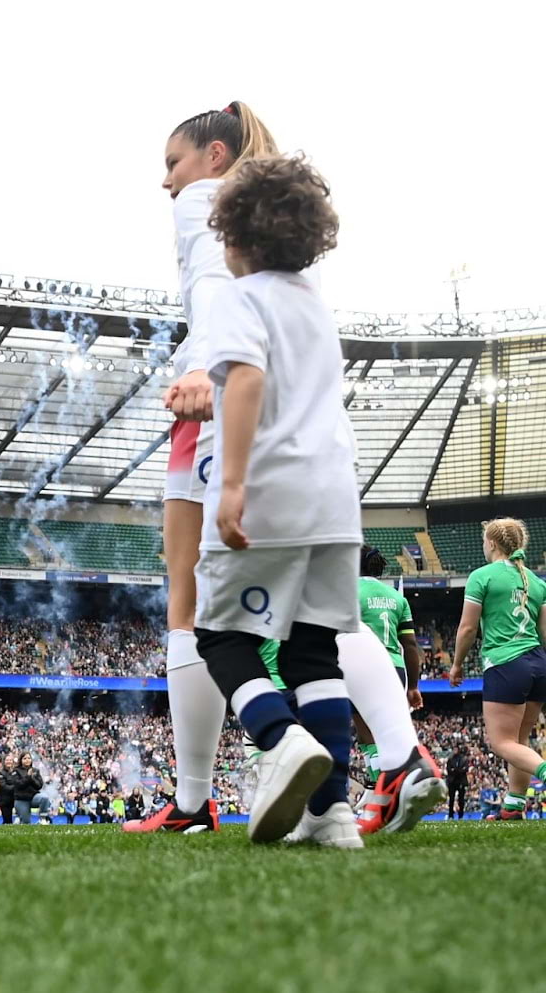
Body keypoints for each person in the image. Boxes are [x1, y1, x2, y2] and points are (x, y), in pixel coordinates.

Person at [186, 153, 363, 848]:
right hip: (336, 500)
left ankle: (278, 736)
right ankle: (333, 813)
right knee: (313, 652)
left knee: (220, 636)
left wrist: (231, 485)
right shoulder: (313, 304)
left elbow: (249, 380)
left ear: (235, 234)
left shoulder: (241, 295)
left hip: (271, 490)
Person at [129, 101, 277, 835]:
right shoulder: (270, 215)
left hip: (215, 398)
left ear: (213, 156)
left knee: (186, 607)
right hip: (279, 402)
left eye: (172, 162)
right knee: (314, 604)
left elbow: (213, 294)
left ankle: (193, 800)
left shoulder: (201, 201)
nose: (167, 182)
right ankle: (399, 753)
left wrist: (200, 371)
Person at [448, 518, 546, 821]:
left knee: (501, 743)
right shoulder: (537, 582)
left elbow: (467, 629)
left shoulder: (482, 576)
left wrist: (457, 664)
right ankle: (514, 806)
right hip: (538, 664)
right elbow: (544, 634)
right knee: (519, 740)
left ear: (491, 543)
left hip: (506, 664)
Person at [352, 545, 445, 834]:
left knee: (367, 734)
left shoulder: (349, 591)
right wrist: (414, 686)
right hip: (397, 669)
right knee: (387, 731)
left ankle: (383, 791)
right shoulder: (395, 597)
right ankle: (380, 789)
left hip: (364, 663)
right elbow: (410, 646)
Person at [9, 753, 51, 825]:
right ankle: (19, 817)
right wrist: (28, 777)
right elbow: (18, 785)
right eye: (25, 758)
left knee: (44, 798)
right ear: (21, 760)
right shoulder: (15, 771)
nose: (27, 760)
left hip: (33, 797)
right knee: (26, 823)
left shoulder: (35, 771)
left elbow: (39, 785)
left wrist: (32, 778)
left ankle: (43, 818)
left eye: (29, 758)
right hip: (21, 799)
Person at [446, 746, 470, 820]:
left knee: (461, 799)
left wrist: (456, 770)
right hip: (452, 781)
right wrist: (458, 771)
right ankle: (451, 815)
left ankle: (461, 815)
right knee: (451, 799)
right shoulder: (450, 759)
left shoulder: (464, 759)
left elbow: (465, 769)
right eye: (454, 749)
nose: (455, 751)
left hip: (461, 781)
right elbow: (449, 769)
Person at [0, 753, 20, 824]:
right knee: (7, 821)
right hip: (5, 800)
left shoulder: (15, 772)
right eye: (7, 760)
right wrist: (16, 787)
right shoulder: (0, 773)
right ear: (4, 762)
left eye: (10, 760)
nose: (9, 762)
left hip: (16, 798)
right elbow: (4, 787)